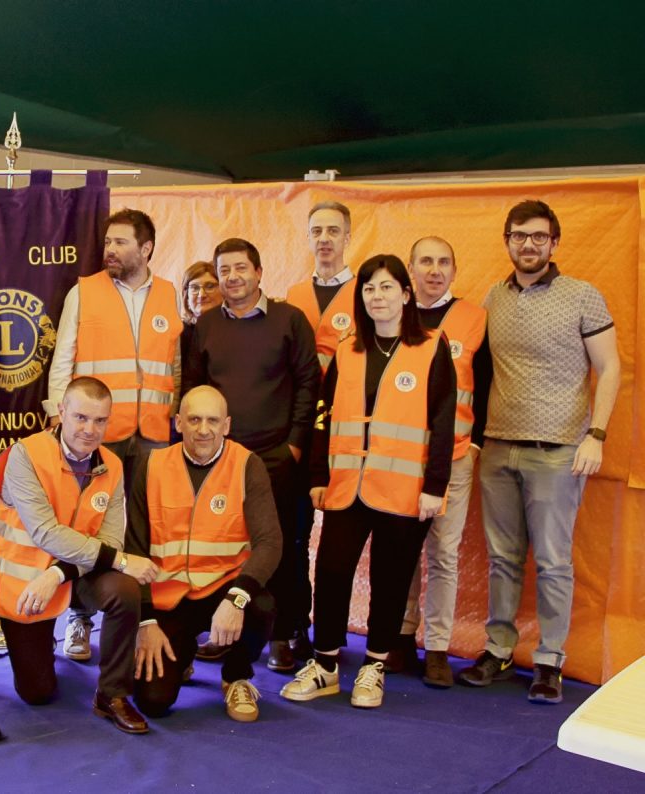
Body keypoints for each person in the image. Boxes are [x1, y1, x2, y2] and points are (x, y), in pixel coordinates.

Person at [460, 200, 620, 705]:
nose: (528, 245)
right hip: (498, 448)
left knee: (552, 561)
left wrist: (596, 434)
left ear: (554, 242)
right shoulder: (494, 297)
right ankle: (499, 648)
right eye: (518, 236)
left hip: (559, 451)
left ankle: (550, 660)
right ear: (506, 241)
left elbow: (610, 368)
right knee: (503, 559)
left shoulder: (582, 297)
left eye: (538, 236)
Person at [282, 255, 455, 709]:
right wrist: (318, 474)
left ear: (405, 293)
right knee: (332, 573)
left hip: (404, 488)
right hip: (345, 486)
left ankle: (374, 665)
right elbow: (325, 414)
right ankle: (325, 665)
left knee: (391, 578)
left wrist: (435, 486)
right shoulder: (348, 348)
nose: (376, 297)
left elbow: (443, 420)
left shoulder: (433, 347)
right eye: (368, 289)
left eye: (385, 287)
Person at [45, 209, 182, 662]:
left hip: (154, 436)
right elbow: (62, 358)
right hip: (96, 434)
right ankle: (79, 620)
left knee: (143, 528)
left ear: (145, 249)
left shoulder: (167, 294)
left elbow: (175, 366)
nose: (110, 250)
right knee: (86, 525)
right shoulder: (83, 292)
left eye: (120, 242)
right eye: (107, 242)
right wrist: (57, 413)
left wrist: (176, 416)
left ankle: (143, 618)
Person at [0, 376, 160, 734]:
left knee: (124, 590)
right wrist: (124, 560)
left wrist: (58, 575)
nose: (89, 429)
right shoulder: (25, 456)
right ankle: (42, 640)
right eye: (81, 417)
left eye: (100, 421)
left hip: (64, 576)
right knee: (37, 693)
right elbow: (45, 532)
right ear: (61, 412)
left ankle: (111, 694)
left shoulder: (112, 465)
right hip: (26, 586)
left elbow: (110, 538)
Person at [184, 238, 319, 670]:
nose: (232, 278)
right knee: (223, 547)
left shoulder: (289, 320)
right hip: (221, 460)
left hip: (278, 456)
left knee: (283, 547)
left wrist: (295, 445)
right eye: (224, 271)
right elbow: (193, 389)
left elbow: (308, 385)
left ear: (259, 272)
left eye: (241, 268)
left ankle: (285, 634)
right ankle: (227, 632)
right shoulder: (205, 326)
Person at [127, 386, 281, 722]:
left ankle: (237, 675)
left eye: (212, 420)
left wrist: (237, 598)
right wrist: (146, 620)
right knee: (153, 703)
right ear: (178, 422)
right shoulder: (151, 465)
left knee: (261, 604)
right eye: (194, 419)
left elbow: (270, 542)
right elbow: (133, 548)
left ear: (227, 425)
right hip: (168, 598)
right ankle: (180, 659)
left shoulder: (247, 465)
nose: (203, 429)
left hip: (222, 591)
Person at [388, 237, 491, 687]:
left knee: (444, 554)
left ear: (454, 269)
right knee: (401, 553)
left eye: (443, 262)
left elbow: (486, 383)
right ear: (411, 269)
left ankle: (438, 649)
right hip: (403, 457)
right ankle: (401, 638)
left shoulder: (473, 319)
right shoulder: (394, 315)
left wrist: (476, 444)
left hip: (454, 457)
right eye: (425, 261)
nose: (434, 270)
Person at [286, 201, 357, 373]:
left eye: (333, 231)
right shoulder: (294, 294)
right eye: (317, 231)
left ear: (346, 238)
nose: (324, 238)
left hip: (343, 392)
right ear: (308, 238)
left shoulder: (364, 292)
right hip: (301, 393)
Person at [179, 259, 220, 365]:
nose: (201, 295)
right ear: (186, 296)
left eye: (210, 286)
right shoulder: (177, 334)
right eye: (194, 288)